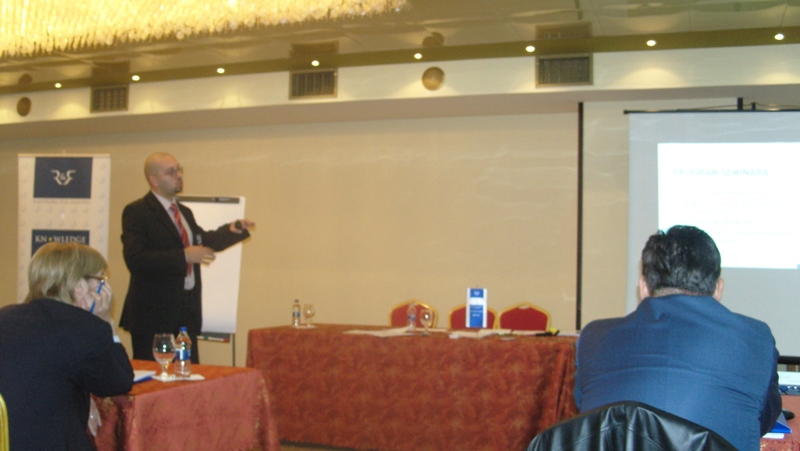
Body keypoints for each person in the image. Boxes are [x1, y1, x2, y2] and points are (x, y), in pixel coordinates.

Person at [574, 225, 781, 451]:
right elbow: (761, 420)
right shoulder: (756, 338)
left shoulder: (593, 338)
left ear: (643, 287)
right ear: (718, 289)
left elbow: (588, 416)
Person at [120, 152, 254, 363]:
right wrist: (183, 256)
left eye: (179, 169)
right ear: (154, 180)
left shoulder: (184, 212)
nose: (179, 175)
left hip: (186, 313)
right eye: (171, 172)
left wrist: (231, 230)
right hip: (154, 317)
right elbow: (135, 259)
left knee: (187, 372)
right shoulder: (137, 212)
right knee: (158, 375)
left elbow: (202, 240)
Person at [0, 242, 133, 451]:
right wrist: (107, 322)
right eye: (101, 280)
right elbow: (119, 382)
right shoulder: (84, 328)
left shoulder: (5, 316)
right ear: (79, 287)